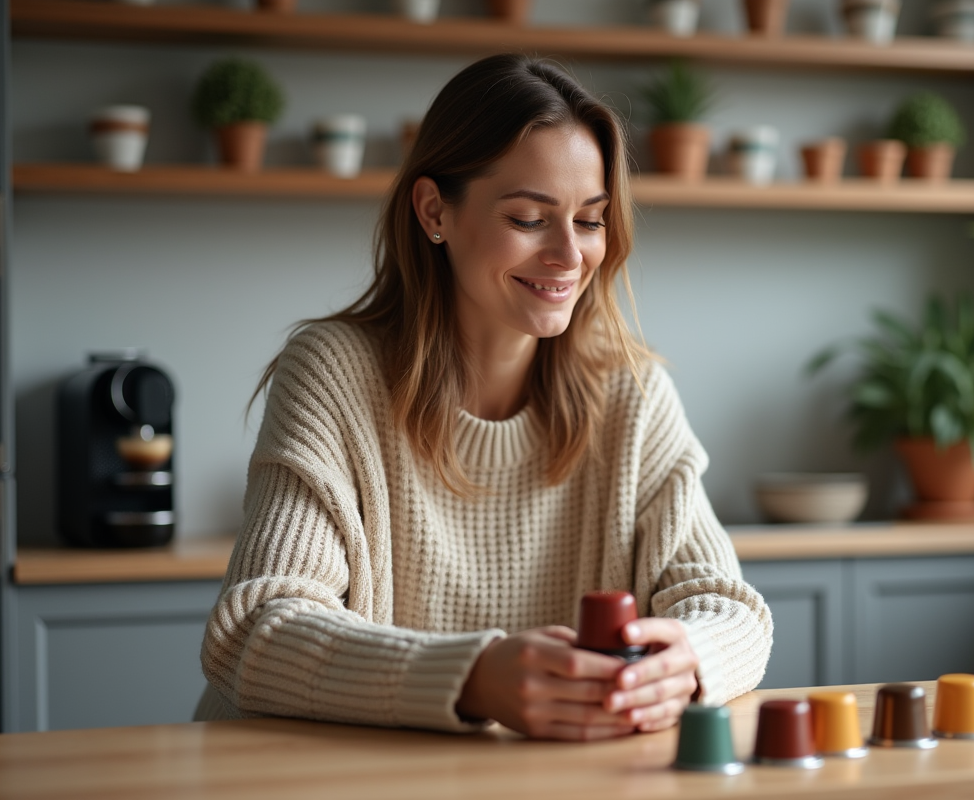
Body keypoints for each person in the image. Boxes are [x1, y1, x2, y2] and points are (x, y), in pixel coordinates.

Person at [196, 53, 772, 741]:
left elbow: (728, 609)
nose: (569, 255)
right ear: (434, 210)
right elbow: (256, 630)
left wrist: (690, 659)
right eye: (530, 218)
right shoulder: (332, 373)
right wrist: (472, 678)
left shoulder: (633, 394)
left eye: (590, 220)